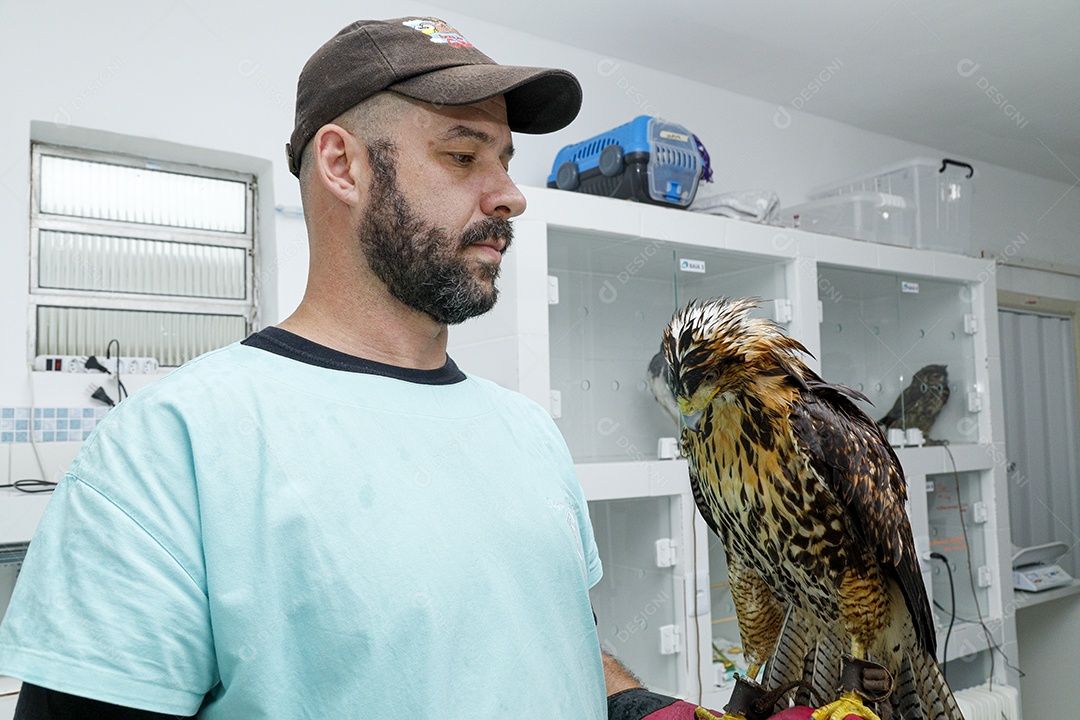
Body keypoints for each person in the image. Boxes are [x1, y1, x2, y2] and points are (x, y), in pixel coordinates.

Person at [0, 15, 734, 720]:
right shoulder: (169, 447)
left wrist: (642, 708)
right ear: (342, 164)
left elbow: (545, 639)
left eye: (505, 161)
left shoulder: (529, 433)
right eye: (462, 154)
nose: (510, 195)